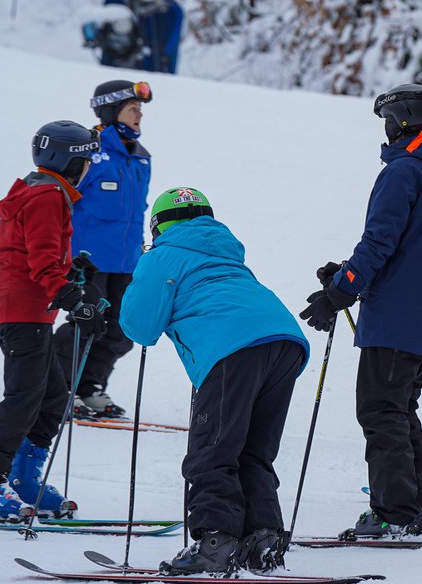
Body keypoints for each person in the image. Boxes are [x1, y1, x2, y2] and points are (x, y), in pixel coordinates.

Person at [299, 83, 422, 537]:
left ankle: (395, 512)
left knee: (381, 412)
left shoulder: (404, 171)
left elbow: (380, 242)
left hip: (397, 318)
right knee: (401, 410)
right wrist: (345, 274)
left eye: (387, 121)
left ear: (401, 120)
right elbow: (413, 248)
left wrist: (340, 292)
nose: (385, 130)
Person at [119, 187, 309, 575]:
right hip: (283, 340)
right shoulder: (226, 252)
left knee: (213, 450)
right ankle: (263, 540)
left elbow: (139, 327)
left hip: (231, 347)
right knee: (253, 450)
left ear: (158, 226)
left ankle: (216, 545)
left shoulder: (162, 255)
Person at [0, 121, 104, 521]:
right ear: (70, 162)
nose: (88, 168)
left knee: (52, 397)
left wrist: (72, 269)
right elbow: (42, 261)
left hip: (29, 314)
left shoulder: (39, 191)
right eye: (86, 160)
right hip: (24, 314)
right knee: (23, 399)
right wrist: (72, 299)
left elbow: (35, 251)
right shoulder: (48, 195)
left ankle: (22, 478)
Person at [56, 79, 153, 420]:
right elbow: (61, 202)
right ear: (111, 112)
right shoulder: (89, 153)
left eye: (139, 109)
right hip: (88, 262)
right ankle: (59, 389)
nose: (139, 115)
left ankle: (89, 387)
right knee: (84, 324)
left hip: (126, 262)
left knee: (121, 331)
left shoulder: (141, 158)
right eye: (132, 109)